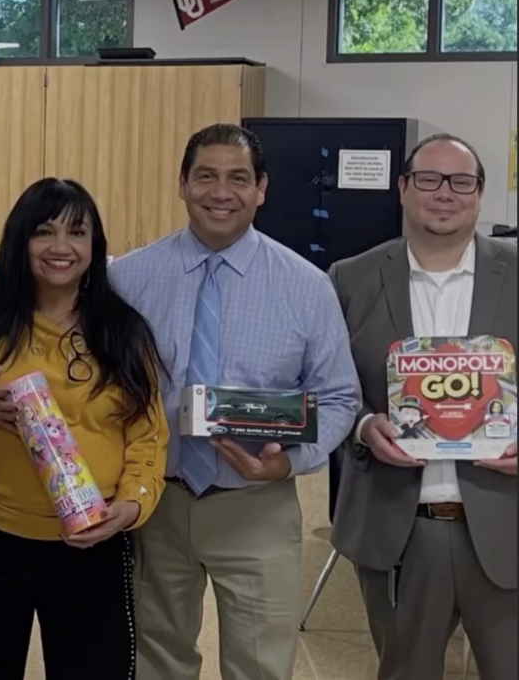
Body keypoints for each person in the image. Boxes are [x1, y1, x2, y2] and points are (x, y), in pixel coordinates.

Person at [108, 123, 361, 680]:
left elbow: (340, 396)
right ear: (182, 184)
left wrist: (290, 461)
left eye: (238, 178)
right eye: (206, 176)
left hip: (257, 506)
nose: (221, 192)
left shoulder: (306, 285)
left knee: (259, 666)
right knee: (157, 659)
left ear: (261, 188)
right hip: (157, 506)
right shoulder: (126, 278)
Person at [0, 177, 169, 680]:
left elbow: (148, 437)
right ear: (20, 241)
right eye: (44, 232)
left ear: (95, 245)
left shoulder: (123, 331)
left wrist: (131, 505)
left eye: (77, 232)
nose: (61, 247)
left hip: (92, 543)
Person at [328, 134, 518, 680]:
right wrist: (364, 427)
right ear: (403, 189)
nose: (445, 193)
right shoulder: (349, 278)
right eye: (429, 179)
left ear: (480, 194)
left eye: (461, 181)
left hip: (505, 523)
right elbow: (329, 391)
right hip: (399, 530)